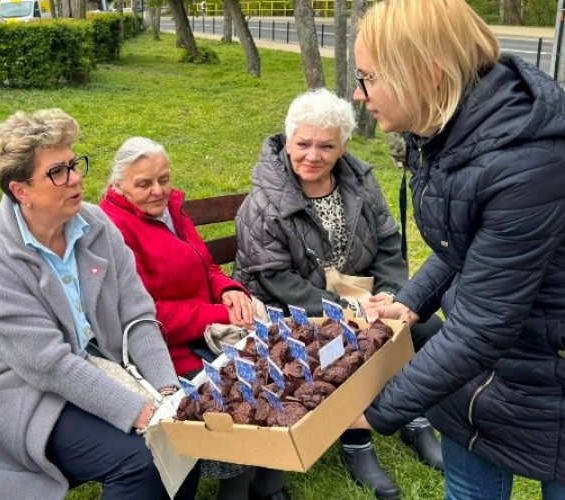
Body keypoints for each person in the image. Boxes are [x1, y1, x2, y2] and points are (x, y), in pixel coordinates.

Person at [348, 1, 565, 499]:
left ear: (426, 73)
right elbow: (464, 243)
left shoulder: (528, 163)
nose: (360, 96)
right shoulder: (451, 131)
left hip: (548, 377)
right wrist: (411, 299)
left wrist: (376, 410)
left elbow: (483, 326)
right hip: (478, 373)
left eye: (367, 78)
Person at [0, 109, 200, 500]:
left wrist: (169, 394)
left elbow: (138, 314)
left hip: (98, 371)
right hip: (22, 396)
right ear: (21, 191)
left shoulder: (96, 225)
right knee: (141, 459)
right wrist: (142, 412)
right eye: (57, 172)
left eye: (74, 164)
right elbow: (48, 364)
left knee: (182, 435)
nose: (75, 178)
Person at [233, 88, 444, 500]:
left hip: (358, 296)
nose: (313, 155)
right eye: (303, 144)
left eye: (326, 146)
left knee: (424, 329)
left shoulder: (360, 182)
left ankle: (414, 418)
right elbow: (275, 279)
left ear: (342, 146)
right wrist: (350, 309)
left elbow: (387, 244)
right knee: (342, 346)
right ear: (288, 140)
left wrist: (390, 296)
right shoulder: (263, 203)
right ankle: (357, 445)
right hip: (291, 310)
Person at [100, 136, 289, 500]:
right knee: (234, 394)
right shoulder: (113, 229)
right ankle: (234, 492)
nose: (158, 190)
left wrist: (228, 290)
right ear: (118, 185)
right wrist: (218, 313)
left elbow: (206, 265)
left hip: (206, 331)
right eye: (143, 184)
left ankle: (267, 483)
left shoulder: (170, 209)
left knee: (274, 362)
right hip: (167, 350)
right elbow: (144, 313)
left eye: (163, 179)